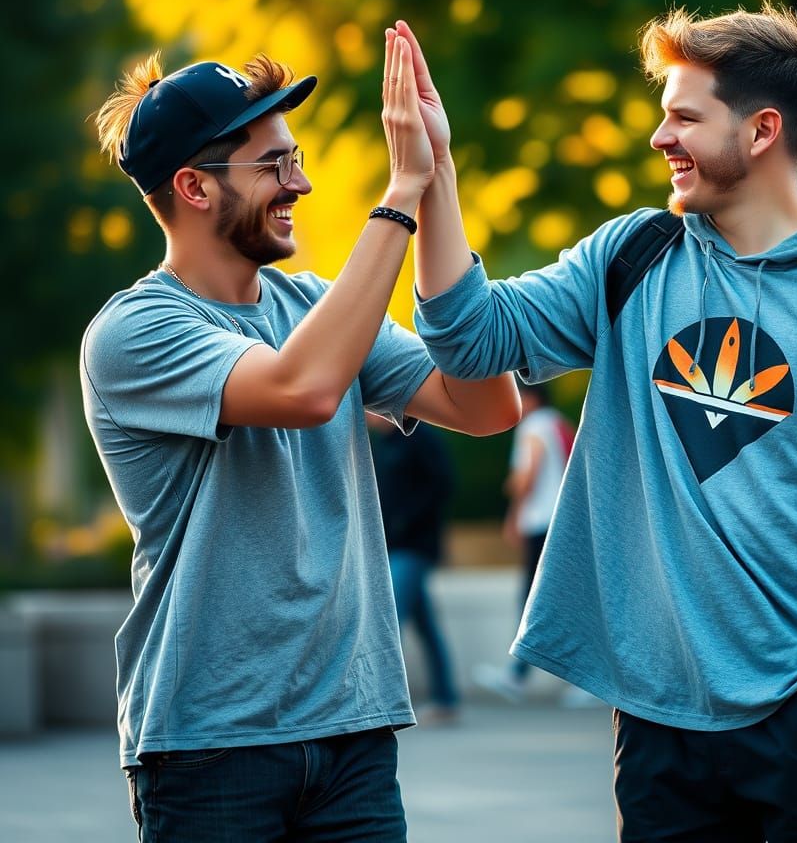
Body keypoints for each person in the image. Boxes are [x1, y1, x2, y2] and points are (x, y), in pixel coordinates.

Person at [392, 7, 797, 841]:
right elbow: (471, 339)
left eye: (684, 116)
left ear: (763, 129)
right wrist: (434, 171)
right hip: (660, 723)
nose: (660, 136)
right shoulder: (632, 258)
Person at [80, 43, 520, 842]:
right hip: (212, 746)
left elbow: (485, 402)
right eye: (274, 165)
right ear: (194, 186)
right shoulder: (134, 332)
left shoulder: (315, 304)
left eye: (297, 158)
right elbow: (303, 391)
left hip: (354, 730)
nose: (302, 184)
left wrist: (440, 176)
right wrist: (400, 195)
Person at [472, 382, 580, 703]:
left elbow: (528, 472)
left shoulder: (533, 425)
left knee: (534, 601)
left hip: (539, 523)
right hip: (561, 522)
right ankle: (524, 675)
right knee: (560, 600)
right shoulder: (559, 422)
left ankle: (518, 676)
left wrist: (514, 506)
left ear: (529, 398)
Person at [367, 412, 460, 722]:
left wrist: (405, 522)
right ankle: (446, 698)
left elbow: (443, 483)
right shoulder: (384, 443)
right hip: (393, 546)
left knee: (390, 620)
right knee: (425, 625)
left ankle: (379, 703)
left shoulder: (421, 437)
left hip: (415, 546)